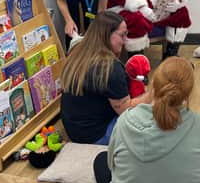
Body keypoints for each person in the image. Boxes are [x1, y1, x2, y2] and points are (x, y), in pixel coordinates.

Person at [60, 11, 149, 145]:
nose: (125, 40)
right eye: (122, 35)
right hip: (96, 136)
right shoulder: (110, 67)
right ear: (106, 35)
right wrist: (154, 92)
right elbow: (127, 112)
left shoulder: (77, 52)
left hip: (74, 130)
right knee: (151, 119)